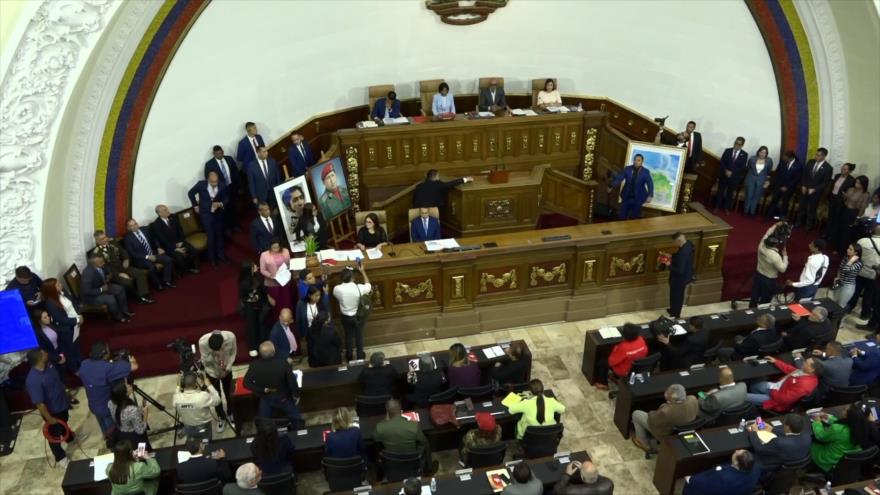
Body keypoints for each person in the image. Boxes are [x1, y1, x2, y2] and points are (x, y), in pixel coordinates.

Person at [25, 348, 86, 468]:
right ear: (39, 358)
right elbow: (40, 404)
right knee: (54, 434)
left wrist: (66, 393)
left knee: (65, 422)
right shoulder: (33, 380)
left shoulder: (49, 366)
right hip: (53, 412)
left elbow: (57, 381)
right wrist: (49, 419)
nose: (47, 353)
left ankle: (69, 438)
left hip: (62, 404)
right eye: (44, 353)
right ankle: (60, 457)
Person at [78, 342, 137, 438]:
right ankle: (116, 444)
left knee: (105, 431)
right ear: (105, 354)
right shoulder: (107, 368)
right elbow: (134, 366)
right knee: (114, 433)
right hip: (107, 409)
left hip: (94, 406)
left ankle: (108, 440)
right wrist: (131, 360)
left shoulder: (84, 364)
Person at [244, 342, 301, 428]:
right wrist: (296, 395)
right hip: (283, 398)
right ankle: (298, 431)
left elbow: (246, 383)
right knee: (297, 420)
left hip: (266, 399)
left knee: (263, 424)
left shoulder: (254, 366)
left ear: (260, 353)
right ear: (274, 351)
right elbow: (292, 382)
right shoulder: (283, 363)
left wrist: (262, 389)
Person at [631, 384, 698, 453]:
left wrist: (651, 412)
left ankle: (643, 443)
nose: (666, 392)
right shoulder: (693, 398)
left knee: (636, 414)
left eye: (667, 392)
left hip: (666, 434)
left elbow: (652, 421)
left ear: (673, 399)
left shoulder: (665, 412)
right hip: (684, 429)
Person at [374, 399, 434, 473]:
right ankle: (430, 469)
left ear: (387, 412)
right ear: (401, 410)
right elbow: (424, 443)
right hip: (412, 461)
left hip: (392, 462)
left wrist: (385, 421)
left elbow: (375, 438)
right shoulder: (413, 426)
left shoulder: (380, 427)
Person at [93, 230, 153, 304]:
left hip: (122, 267)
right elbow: (104, 268)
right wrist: (119, 274)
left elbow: (123, 251)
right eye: (102, 239)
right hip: (113, 274)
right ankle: (138, 298)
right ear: (97, 241)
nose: (105, 239)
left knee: (140, 273)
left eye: (105, 237)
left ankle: (144, 295)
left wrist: (126, 259)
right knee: (128, 282)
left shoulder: (113, 242)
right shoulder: (96, 253)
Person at [745, 354, 821, 412]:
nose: (803, 362)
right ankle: (756, 401)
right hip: (776, 387)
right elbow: (791, 370)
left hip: (775, 400)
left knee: (744, 396)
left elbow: (784, 399)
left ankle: (755, 403)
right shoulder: (805, 372)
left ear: (812, 370)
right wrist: (776, 361)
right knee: (754, 386)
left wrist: (772, 391)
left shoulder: (804, 385)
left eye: (806, 362)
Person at [747, 413, 812, 477]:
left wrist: (753, 432)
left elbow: (759, 448)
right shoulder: (807, 436)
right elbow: (792, 436)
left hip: (778, 463)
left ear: (787, 427)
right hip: (796, 461)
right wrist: (772, 429)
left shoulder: (779, 442)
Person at [41, 278, 83, 372]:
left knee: (77, 345)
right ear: (51, 289)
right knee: (70, 349)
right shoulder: (50, 303)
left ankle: (81, 363)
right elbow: (60, 319)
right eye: (57, 284)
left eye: (59, 283)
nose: (60, 284)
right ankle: (74, 369)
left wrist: (79, 314)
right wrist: (77, 320)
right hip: (66, 329)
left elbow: (73, 303)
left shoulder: (63, 291)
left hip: (75, 324)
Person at [198, 329, 237, 430]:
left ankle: (231, 412)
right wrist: (214, 353)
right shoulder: (203, 342)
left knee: (229, 392)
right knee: (216, 395)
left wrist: (228, 366)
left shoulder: (231, 337)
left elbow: (233, 353)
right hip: (212, 372)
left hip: (227, 370)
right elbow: (205, 361)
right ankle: (221, 417)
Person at [187, 171, 228, 265]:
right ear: (208, 180)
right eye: (212, 183)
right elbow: (190, 193)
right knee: (211, 236)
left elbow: (226, 198)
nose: (214, 185)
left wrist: (220, 204)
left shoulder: (222, 185)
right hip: (206, 214)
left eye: (216, 182)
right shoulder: (201, 184)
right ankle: (212, 259)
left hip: (218, 213)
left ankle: (221, 256)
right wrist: (195, 206)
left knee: (219, 235)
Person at [333, 264, 371, 361]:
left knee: (348, 336)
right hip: (358, 316)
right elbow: (368, 286)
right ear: (352, 278)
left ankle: (349, 356)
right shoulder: (358, 288)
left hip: (345, 317)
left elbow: (336, 297)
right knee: (359, 336)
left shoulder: (337, 289)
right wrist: (362, 271)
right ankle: (360, 357)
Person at [594, 323, 648, 391]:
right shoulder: (641, 340)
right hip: (638, 368)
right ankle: (615, 377)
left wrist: (615, 349)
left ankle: (603, 383)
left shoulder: (624, 347)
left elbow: (611, 362)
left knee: (602, 362)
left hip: (624, 371)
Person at [123, 218, 175, 290]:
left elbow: (154, 239)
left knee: (168, 260)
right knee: (151, 267)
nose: (134, 226)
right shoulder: (127, 238)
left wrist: (158, 247)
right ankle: (159, 285)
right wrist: (147, 257)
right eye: (132, 226)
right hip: (141, 259)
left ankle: (167, 281)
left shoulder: (145, 229)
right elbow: (132, 253)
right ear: (128, 228)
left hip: (153, 253)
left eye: (135, 224)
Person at [810, 405, 862, 472]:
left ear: (848, 416)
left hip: (828, 460)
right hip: (845, 460)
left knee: (809, 442)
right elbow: (844, 423)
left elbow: (820, 436)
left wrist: (817, 422)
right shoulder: (860, 426)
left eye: (844, 410)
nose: (842, 410)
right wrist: (828, 417)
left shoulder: (838, 429)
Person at [81, 253, 133, 322]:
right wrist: (101, 289)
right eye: (101, 262)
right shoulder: (88, 273)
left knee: (120, 289)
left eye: (103, 261)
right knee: (110, 299)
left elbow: (108, 270)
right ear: (94, 263)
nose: (103, 263)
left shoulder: (101, 265)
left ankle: (125, 311)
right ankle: (119, 317)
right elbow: (86, 291)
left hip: (102, 286)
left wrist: (109, 275)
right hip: (91, 296)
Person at [682, 449, 759, 495]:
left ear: (736, 463)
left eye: (737, 452)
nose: (736, 450)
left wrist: (690, 479)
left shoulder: (723, 477)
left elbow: (704, 483)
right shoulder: (756, 469)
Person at [150, 204, 199, 274]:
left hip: (180, 242)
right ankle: (188, 269)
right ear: (159, 213)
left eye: (167, 208)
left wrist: (181, 241)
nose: (168, 211)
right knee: (179, 257)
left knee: (193, 251)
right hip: (169, 247)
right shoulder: (156, 224)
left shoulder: (173, 216)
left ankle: (186, 267)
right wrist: (174, 248)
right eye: (165, 210)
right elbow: (162, 240)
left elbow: (180, 230)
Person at [749, 221, 789, 307]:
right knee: (765, 299)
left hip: (758, 275)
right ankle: (762, 312)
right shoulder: (775, 256)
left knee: (754, 295)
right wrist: (785, 256)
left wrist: (775, 225)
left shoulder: (761, 246)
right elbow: (782, 269)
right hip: (769, 280)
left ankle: (751, 309)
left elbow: (767, 233)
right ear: (775, 245)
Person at [173, 372, 220, 441]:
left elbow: (176, 396)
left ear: (183, 384)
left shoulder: (177, 398)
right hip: (203, 427)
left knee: (193, 441)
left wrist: (178, 386)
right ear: (195, 383)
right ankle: (205, 448)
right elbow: (217, 400)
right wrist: (209, 385)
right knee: (205, 442)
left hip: (188, 427)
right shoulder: (202, 396)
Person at [239, 262, 273, 357]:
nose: (256, 267)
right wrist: (251, 299)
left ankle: (263, 343)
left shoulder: (257, 277)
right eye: (254, 267)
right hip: (250, 307)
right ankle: (253, 346)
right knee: (251, 326)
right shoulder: (244, 283)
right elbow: (242, 297)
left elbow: (263, 290)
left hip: (260, 305)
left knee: (262, 324)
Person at [795, 148, 833, 230]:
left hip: (815, 192)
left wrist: (815, 189)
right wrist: (803, 185)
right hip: (805, 190)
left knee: (811, 209)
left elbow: (825, 183)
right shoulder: (810, 162)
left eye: (818, 155)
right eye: (816, 154)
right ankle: (798, 222)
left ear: (824, 156)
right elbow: (804, 175)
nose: (816, 156)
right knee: (802, 206)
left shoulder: (828, 168)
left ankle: (808, 226)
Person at [205, 145, 240, 233]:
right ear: (214, 154)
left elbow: (235, 172)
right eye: (217, 154)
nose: (219, 155)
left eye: (221, 153)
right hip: (221, 191)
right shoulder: (209, 164)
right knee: (224, 210)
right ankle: (227, 228)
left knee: (233, 207)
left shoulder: (229, 159)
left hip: (232, 187)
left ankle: (235, 225)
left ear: (223, 152)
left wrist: (239, 186)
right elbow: (208, 179)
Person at [832, 174, 870, 253]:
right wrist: (845, 196)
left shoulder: (865, 194)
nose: (856, 184)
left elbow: (862, 208)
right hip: (845, 210)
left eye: (859, 183)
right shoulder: (851, 189)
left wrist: (857, 219)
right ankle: (835, 247)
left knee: (847, 233)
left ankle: (842, 250)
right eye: (856, 182)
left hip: (853, 213)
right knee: (839, 229)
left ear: (863, 184)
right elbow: (845, 200)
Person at [608, 154, 654, 220]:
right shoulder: (627, 169)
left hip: (638, 198)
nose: (636, 161)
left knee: (634, 219)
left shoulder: (645, 172)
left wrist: (650, 195)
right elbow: (619, 178)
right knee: (622, 216)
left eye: (638, 160)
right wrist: (611, 185)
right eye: (635, 160)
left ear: (642, 162)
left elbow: (650, 184)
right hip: (626, 197)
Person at [109, 380, 150, 449]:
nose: (130, 386)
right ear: (125, 393)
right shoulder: (132, 410)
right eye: (127, 387)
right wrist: (145, 414)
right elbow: (140, 430)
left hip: (121, 435)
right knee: (141, 455)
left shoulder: (111, 403)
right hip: (135, 439)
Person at [297, 285, 330, 367]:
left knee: (321, 348)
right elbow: (299, 320)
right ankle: (314, 365)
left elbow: (326, 312)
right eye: (315, 295)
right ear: (309, 295)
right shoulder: (301, 304)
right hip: (309, 330)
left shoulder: (321, 302)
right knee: (312, 349)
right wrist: (302, 335)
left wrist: (325, 294)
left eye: (319, 295)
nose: (318, 297)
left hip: (321, 329)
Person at [853, 223, 880, 321]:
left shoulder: (862, 241)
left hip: (860, 271)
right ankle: (865, 314)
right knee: (869, 295)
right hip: (874, 274)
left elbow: (855, 254)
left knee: (855, 291)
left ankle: (849, 307)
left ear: (872, 230)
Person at [260, 239, 293, 320]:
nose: (276, 249)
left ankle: (288, 317)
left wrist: (288, 270)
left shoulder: (285, 251)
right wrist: (270, 276)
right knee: (276, 303)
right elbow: (262, 270)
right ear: (270, 247)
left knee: (287, 300)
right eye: (274, 248)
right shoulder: (264, 255)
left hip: (285, 281)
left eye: (277, 247)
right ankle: (279, 319)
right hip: (272, 283)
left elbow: (289, 264)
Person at [823, 162, 856, 242]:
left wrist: (846, 195)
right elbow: (832, 187)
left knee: (836, 219)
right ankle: (827, 233)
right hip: (833, 198)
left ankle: (832, 236)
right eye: (842, 168)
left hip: (841, 202)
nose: (842, 170)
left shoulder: (851, 180)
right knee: (830, 217)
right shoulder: (837, 176)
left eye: (845, 169)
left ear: (849, 171)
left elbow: (850, 192)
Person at [765, 150, 802, 220]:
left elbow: (797, 179)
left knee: (785, 203)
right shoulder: (782, 162)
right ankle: (769, 216)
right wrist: (772, 183)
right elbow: (777, 174)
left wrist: (787, 187)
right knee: (774, 201)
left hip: (789, 188)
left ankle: (780, 218)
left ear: (791, 158)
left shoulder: (798, 165)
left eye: (785, 158)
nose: (784, 159)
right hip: (779, 186)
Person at [714, 137, 748, 212]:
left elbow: (742, 167)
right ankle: (717, 207)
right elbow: (722, 162)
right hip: (724, 175)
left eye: (739, 144)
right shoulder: (727, 150)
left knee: (730, 193)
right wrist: (726, 170)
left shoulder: (744, 154)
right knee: (720, 192)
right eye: (736, 143)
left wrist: (732, 172)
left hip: (734, 178)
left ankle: (726, 208)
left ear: (742, 145)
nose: (736, 145)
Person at [667, 232, 695, 318]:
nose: (675, 244)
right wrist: (672, 255)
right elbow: (680, 256)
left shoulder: (683, 253)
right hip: (686, 276)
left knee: (676, 296)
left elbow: (679, 270)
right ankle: (673, 309)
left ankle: (675, 314)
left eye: (675, 242)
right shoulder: (688, 244)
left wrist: (669, 264)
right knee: (677, 295)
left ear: (679, 240)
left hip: (679, 279)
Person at [247, 146, 281, 210]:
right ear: (258, 153)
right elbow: (251, 183)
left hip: (273, 192)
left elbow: (278, 177)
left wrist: (279, 189)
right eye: (264, 152)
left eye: (266, 151)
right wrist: (254, 196)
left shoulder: (272, 161)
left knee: (275, 210)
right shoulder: (251, 166)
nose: (267, 153)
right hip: (261, 195)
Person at [742, 146, 773, 216]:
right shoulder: (752, 159)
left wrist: (767, 181)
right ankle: (746, 211)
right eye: (761, 152)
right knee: (749, 196)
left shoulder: (769, 160)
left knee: (756, 197)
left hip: (761, 181)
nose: (762, 154)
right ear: (758, 152)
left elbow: (768, 171)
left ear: (766, 154)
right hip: (750, 179)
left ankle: (752, 212)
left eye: (764, 153)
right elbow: (748, 168)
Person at [833, 243, 863, 311]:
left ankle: (836, 321)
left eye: (850, 249)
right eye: (848, 248)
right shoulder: (845, 257)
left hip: (848, 286)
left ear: (856, 253)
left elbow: (846, 269)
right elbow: (840, 269)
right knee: (834, 302)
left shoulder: (859, 263)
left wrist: (851, 260)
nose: (847, 250)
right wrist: (838, 277)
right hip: (839, 282)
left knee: (841, 305)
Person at [281, 184, 307, 249]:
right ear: (289, 206)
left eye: (301, 197)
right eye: (295, 200)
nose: (300, 202)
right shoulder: (292, 225)